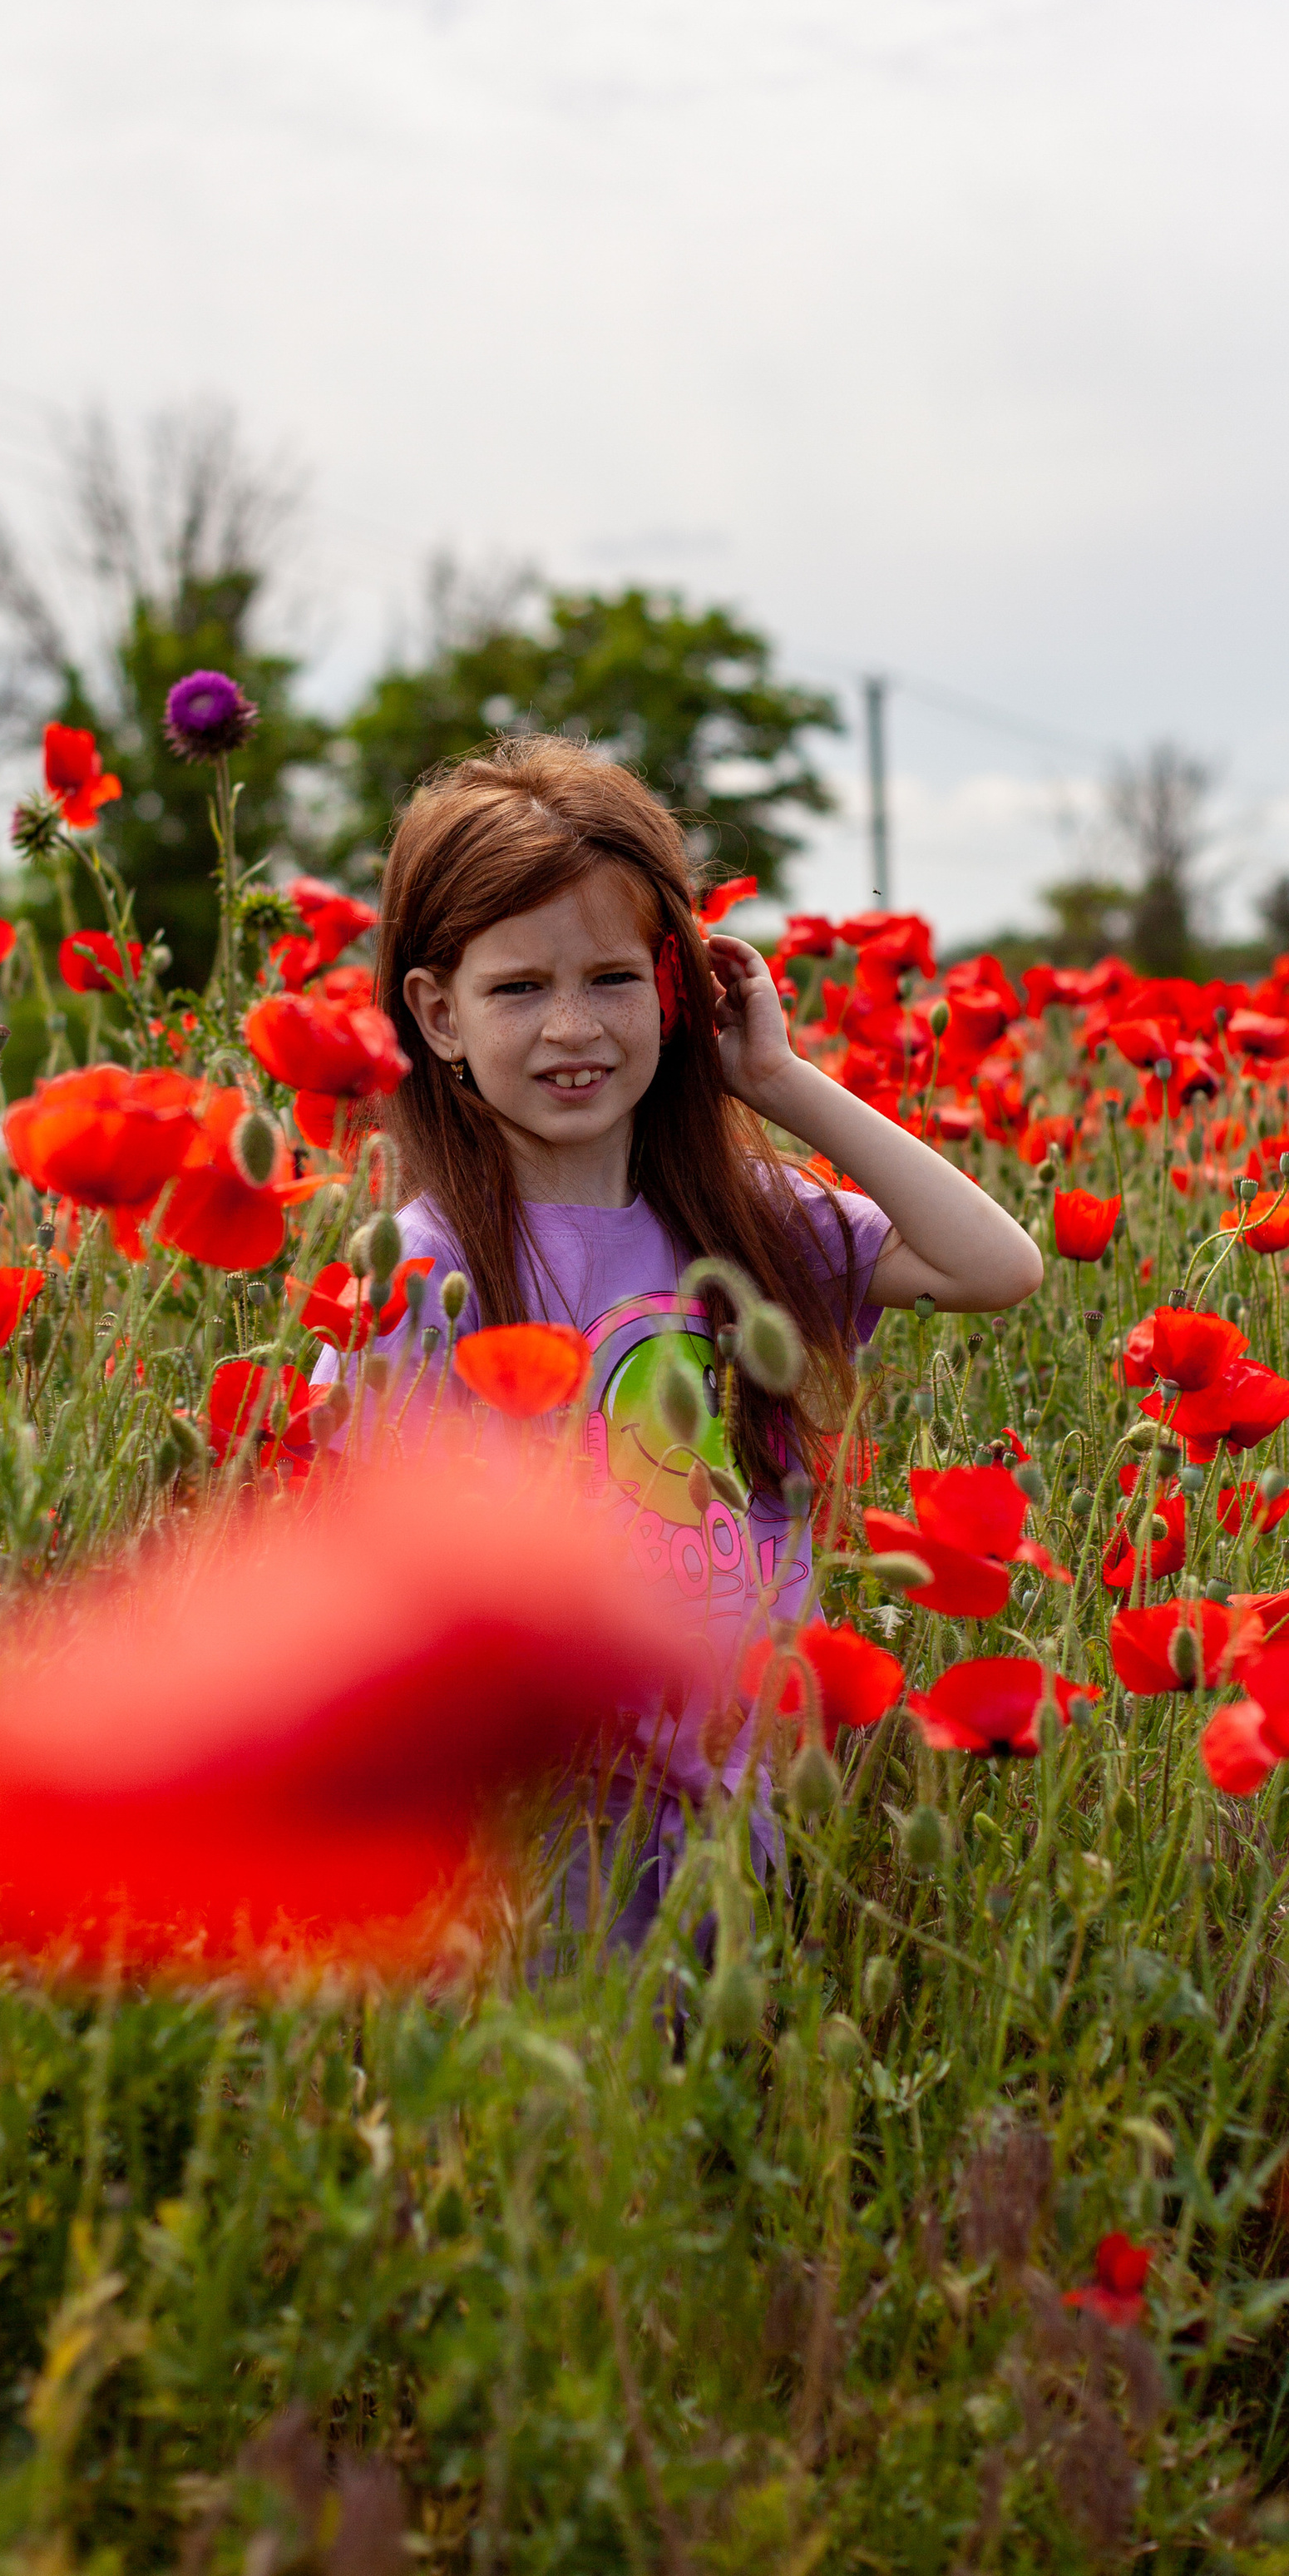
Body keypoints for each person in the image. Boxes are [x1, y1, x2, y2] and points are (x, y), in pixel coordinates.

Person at [348, 735, 1042, 1938]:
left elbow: (997, 1265)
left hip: (740, 1803)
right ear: (437, 1013)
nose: (574, 1026)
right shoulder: (430, 1264)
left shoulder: (743, 1222)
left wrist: (771, 1079)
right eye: (519, 989)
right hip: (543, 1828)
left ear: (678, 987)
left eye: (613, 979)